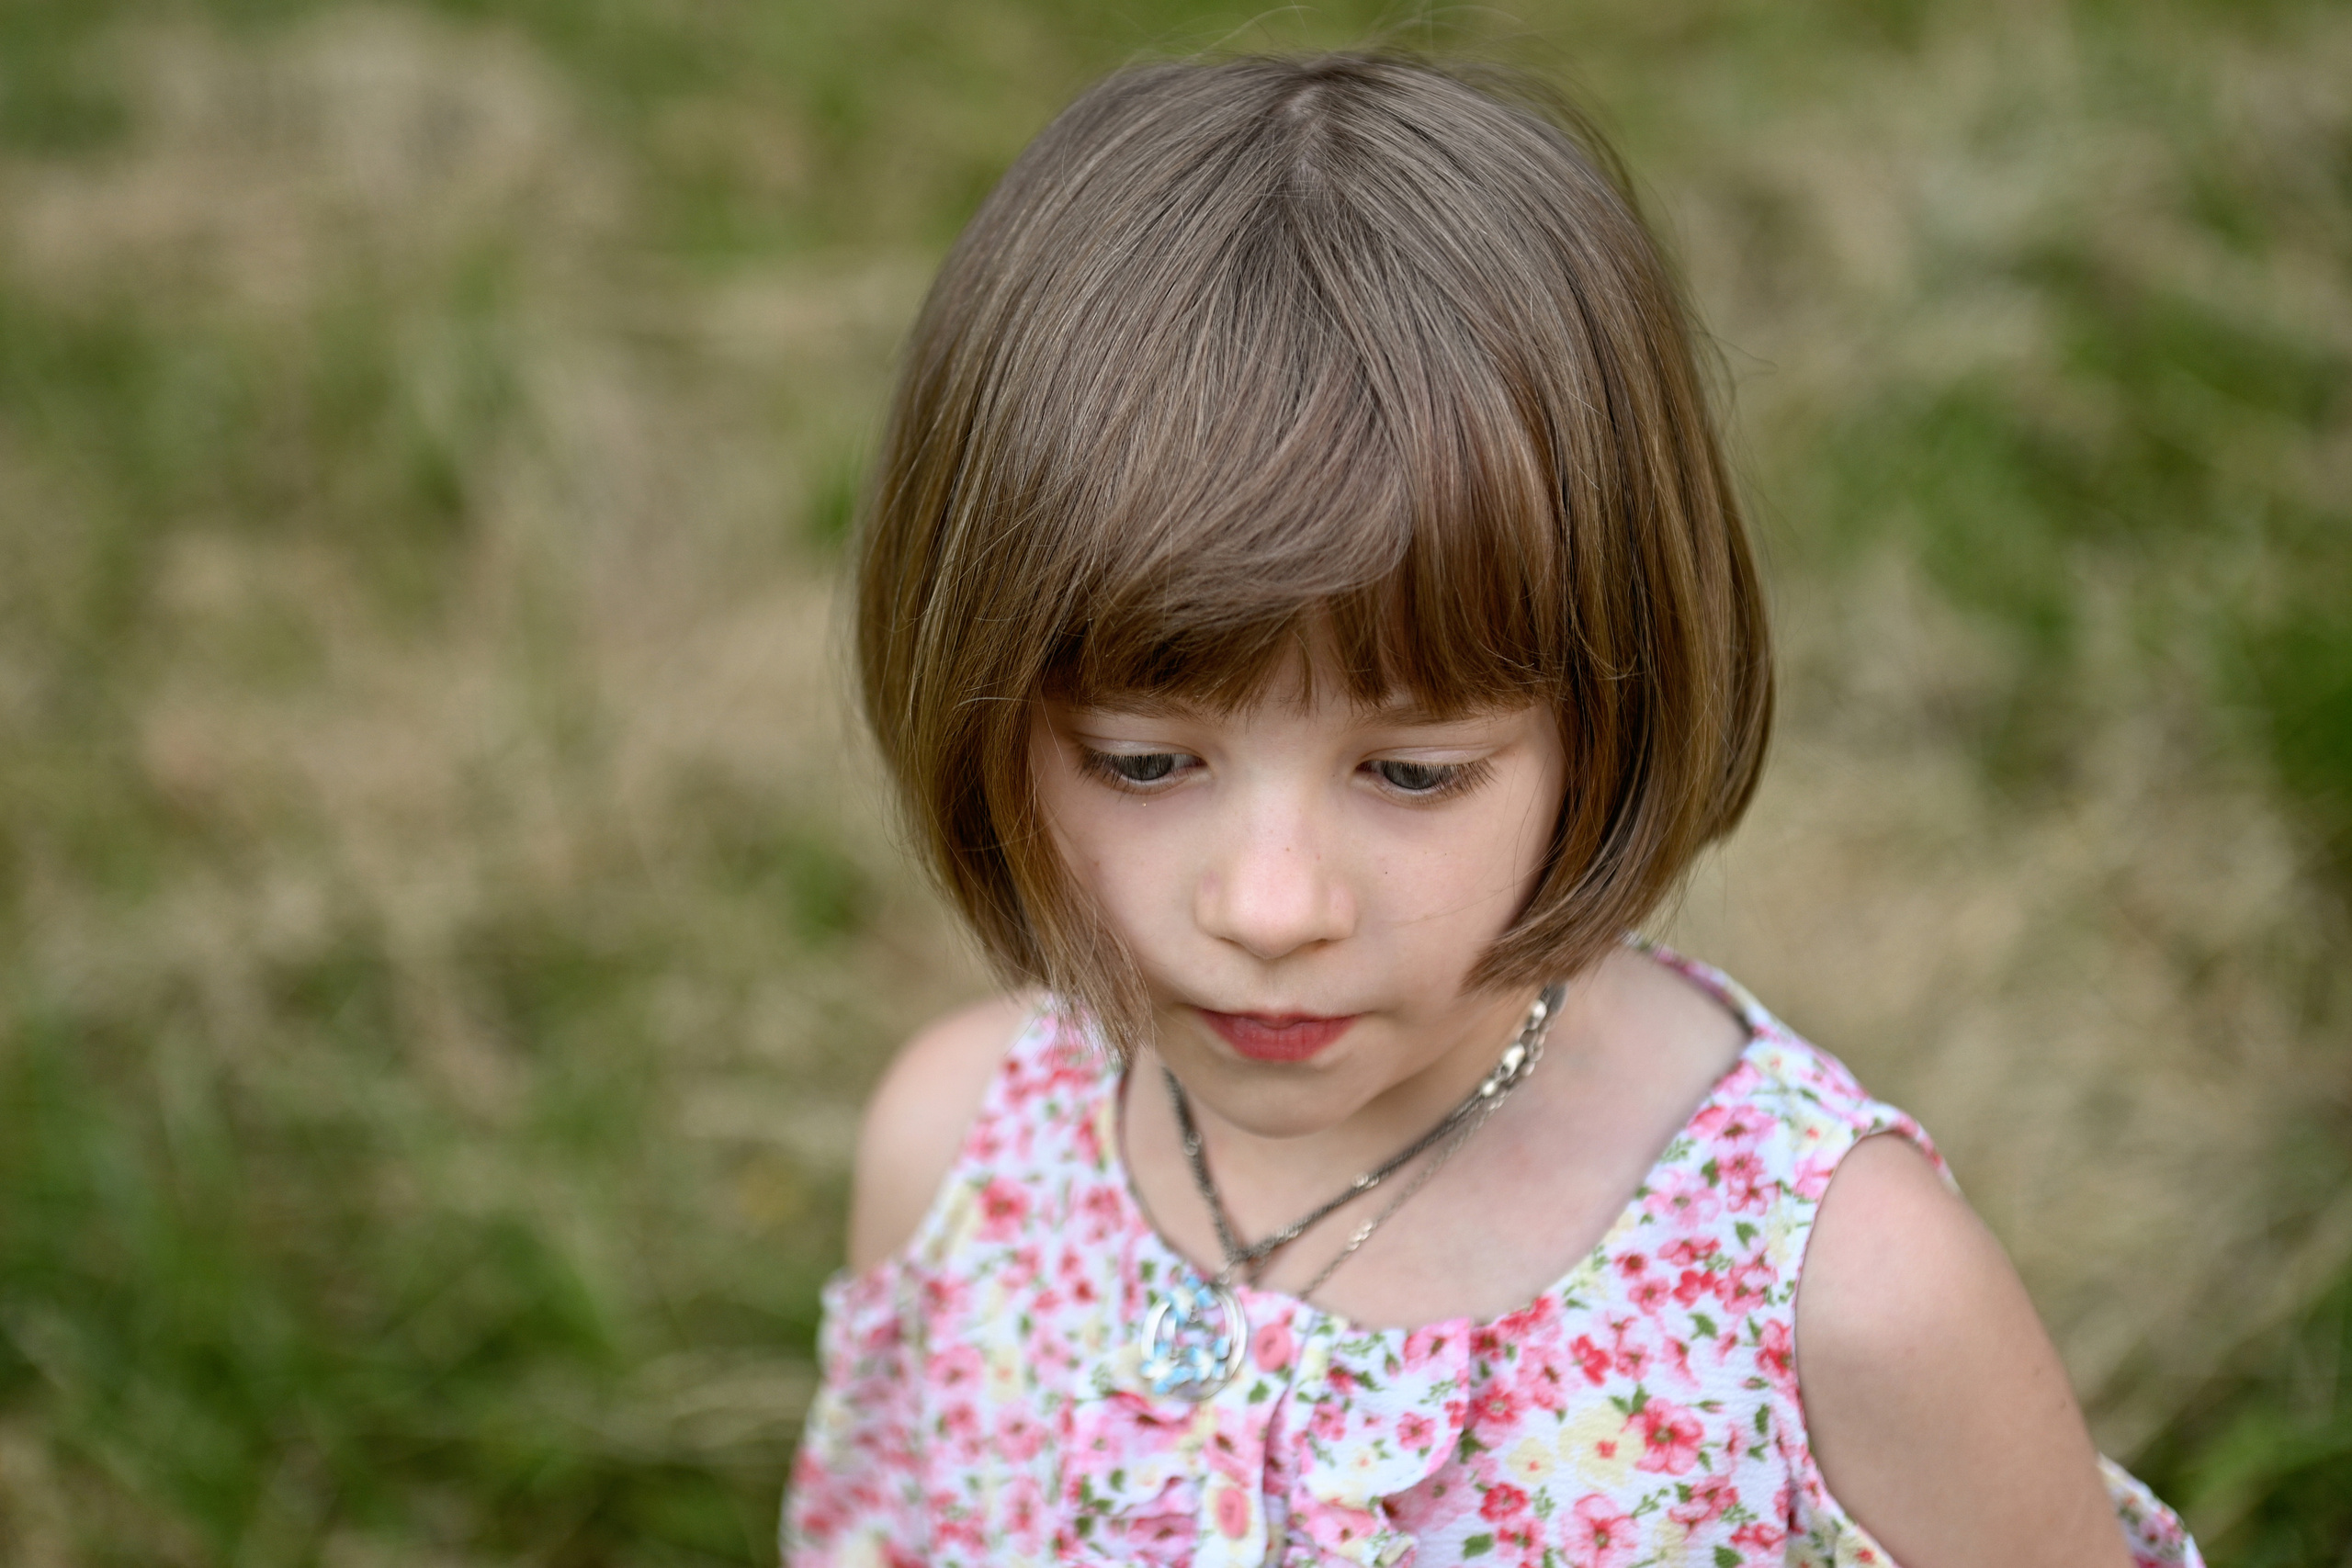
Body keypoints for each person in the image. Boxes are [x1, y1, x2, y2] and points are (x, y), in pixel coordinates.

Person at [782, 51, 2201, 1568]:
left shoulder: (1842, 1307)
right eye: (1141, 763)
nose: (1270, 907)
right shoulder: (962, 1165)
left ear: (1609, 716)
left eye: (1412, 774)